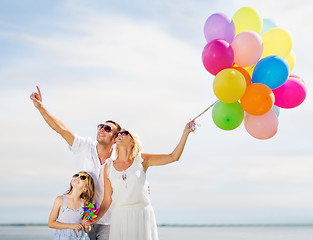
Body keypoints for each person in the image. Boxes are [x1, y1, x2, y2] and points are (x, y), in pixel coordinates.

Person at [30, 86, 121, 240]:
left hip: (110, 221)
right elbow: (61, 129)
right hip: (82, 219)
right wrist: (41, 107)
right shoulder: (84, 147)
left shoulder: (118, 160)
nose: (101, 130)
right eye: (100, 126)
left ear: (114, 139)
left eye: (107, 129)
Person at [93, 121, 196, 240]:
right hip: (119, 217)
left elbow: (173, 157)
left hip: (142, 214)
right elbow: (106, 200)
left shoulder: (142, 160)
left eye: (125, 133)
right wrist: (95, 219)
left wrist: (185, 133)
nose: (119, 135)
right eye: (118, 134)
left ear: (132, 142)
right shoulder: (108, 166)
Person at [48, 171, 94, 240]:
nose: (78, 177)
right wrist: (71, 226)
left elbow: (87, 230)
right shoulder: (60, 200)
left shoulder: (86, 204)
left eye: (82, 177)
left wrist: (87, 226)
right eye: (76, 175)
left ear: (85, 188)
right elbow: (51, 223)